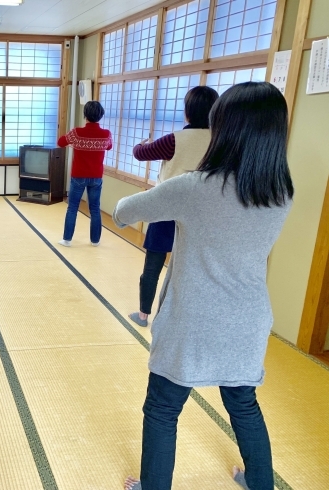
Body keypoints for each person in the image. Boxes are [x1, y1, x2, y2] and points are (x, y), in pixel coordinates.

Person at [113, 82, 294, 490]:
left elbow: (124, 211)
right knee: (244, 406)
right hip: (248, 321)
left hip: (191, 320)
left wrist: (166, 187)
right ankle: (260, 482)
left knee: (162, 409)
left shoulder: (195, 187)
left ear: (224, 129)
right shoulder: (282, 191)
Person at [127, 86, 219, 328]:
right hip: (202, 213)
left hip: (167, 208)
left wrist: (140, 143)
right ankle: (184, 317)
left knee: (153, 265)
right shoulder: (221, 142)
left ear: (187, 113)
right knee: (194, 267)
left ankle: (144, 314)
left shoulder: (174, 140)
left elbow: (140, 153)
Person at [57, 100, 113, 247]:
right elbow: (109, 146)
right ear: (101, 115)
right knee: (95, 208)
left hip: (78, 176)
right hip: (96, 177)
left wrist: (74, 143)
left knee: (73, 207)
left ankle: (67, 240)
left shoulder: (77, 133)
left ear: (85, 115)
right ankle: (95, 241)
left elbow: (60, 142)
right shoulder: (106, 134)